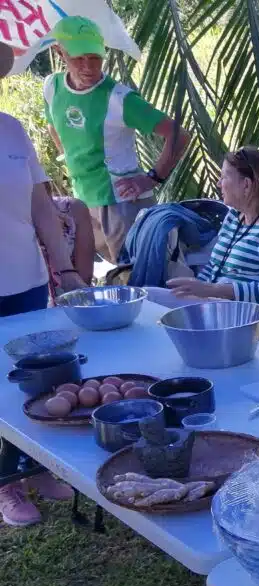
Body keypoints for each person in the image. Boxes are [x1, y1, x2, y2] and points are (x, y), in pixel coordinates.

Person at [0, 41, 88, 526]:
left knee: (33, 381)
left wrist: (66, 269)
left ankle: (31, 467)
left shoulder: (11, 129)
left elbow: (41, 208)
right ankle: (7, 487)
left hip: (28, 283)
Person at [42, 16, 189, 264]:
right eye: (78, 58)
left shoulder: (119, 99)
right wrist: (71, 160)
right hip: (83, 201)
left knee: (137, 277)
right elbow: (53, 126)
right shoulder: (52, 87)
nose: (88, 67)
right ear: (59, 52)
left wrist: (151, 178)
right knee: (107, 278)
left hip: (122, 205)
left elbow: (179, 135)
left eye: (95, 57)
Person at [163, 147, 259, 305]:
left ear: (246, 185)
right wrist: (193, 291)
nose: (218, 184)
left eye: (224, 177)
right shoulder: (234, 218)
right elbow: (213, 266)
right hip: (214, 307)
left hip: (246, 315)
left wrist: (212, 290)